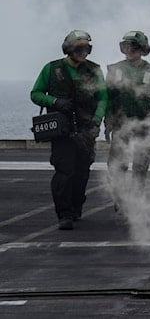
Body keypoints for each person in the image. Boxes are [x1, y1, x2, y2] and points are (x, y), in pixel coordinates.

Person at [29, 30, 109, 230]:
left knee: (82, 171)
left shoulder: (94, 70)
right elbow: (36, 93)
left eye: (87, 48)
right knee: (64, 172)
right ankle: (64, 214)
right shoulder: (52, 69)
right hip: (62, 130)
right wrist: (55, 101)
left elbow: (103, 97)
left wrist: (97, 120)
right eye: (80, 48)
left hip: (86, 129)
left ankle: (75, 208)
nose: (84, 53)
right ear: (69, 48)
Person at [104, 31, 150, 207]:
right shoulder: (115, 69)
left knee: (140, 168)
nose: (129, 50)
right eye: (126, 46)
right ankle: (120, 200)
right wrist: (107, 123)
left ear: (141, 49)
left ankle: (135, 204)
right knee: (117, 167)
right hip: (120, 125)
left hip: (144, 126)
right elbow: (107, 98)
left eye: (132, 46)